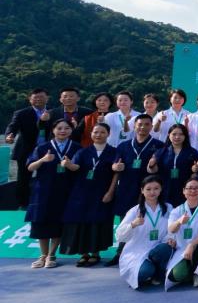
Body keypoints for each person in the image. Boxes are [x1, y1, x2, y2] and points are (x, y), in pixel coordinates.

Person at [109, 114, 164, 266]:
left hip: (149, 191)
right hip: (126, 188)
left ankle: (145, 253)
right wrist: (116, 166)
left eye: (146, 124)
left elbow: (159, 169)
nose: (142, 127)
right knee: (126, 221)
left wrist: (153, 165)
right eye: (139, 124)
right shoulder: (123, 146)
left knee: (148, 221)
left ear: (151, 126)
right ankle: (120, 253)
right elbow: (115, 165)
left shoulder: (159, 146)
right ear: (134, 126)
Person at [24, 119, 80, 268]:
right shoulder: (42, 147)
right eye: (59, 128)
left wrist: (69, 165)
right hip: (43, 191)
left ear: (71, 130)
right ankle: (42, 255)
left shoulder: (76, 147)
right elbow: (30, 167)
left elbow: (80, 168)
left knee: (58, 223)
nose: (63, 131)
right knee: (41, 222)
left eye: (66, 128)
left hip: (65, 191)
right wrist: (43, 160)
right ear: (53, 130)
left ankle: (52, 255)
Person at [60, 122, 117, 265]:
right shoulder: (82, 152)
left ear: (108, 134)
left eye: (102, 132)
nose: (98, 135)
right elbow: (75, 167)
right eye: (95, 132)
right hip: (82, 192)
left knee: (98, 222)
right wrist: (68, 165)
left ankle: (95, 253)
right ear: (91, 134)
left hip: (101, 192)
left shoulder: (114, 152)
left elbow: (116, 174)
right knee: (82, 222)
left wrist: (110, 192)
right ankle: (84, 253)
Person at [114, 174, 172, 289]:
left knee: (165, 248)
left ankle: (157, 272)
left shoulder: (168, 208)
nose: (152, 192)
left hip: (158, 249)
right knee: (144, 273)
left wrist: (170, 239)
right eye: (148, 189)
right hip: (138, 251)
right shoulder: (135, 211)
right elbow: (119, 235)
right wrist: (133, 224)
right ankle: (151, 271)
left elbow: (172, 229)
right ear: (142, 190)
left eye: (156, 188)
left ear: (161, 189)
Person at [164, 178, 198, 289]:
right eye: (189, 188)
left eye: (196, 188)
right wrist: (179, 222)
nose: (193, 191)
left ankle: (197, 274)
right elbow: (171, 230)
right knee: (175, 275)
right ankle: (189, 271)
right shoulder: (177, 210)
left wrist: (192, 245)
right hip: (183, 249)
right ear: (184, 191)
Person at [5, 88, 51, 208]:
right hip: (26, 150)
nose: (38, 99)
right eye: (35, 97)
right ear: (30, 99)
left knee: (48, 177)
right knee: (23, 178)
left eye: (41, 97)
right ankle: (23, 204)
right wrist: (10, 135)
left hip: (48, 150)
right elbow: (13, 126)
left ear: (47, 98)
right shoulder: (21, 113)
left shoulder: (53, 113)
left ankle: (45, 203)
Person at [150, 123, 198, 205]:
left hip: (184, 190)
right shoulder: (161, 151)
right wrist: (151, 165)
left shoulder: (192, 152)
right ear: (169, 135)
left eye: (181, 134)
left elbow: (195, 173)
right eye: (174, 134)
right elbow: (153, 170)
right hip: (165, 189)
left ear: (185, 136)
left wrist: (195, 170)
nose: (177, 137)